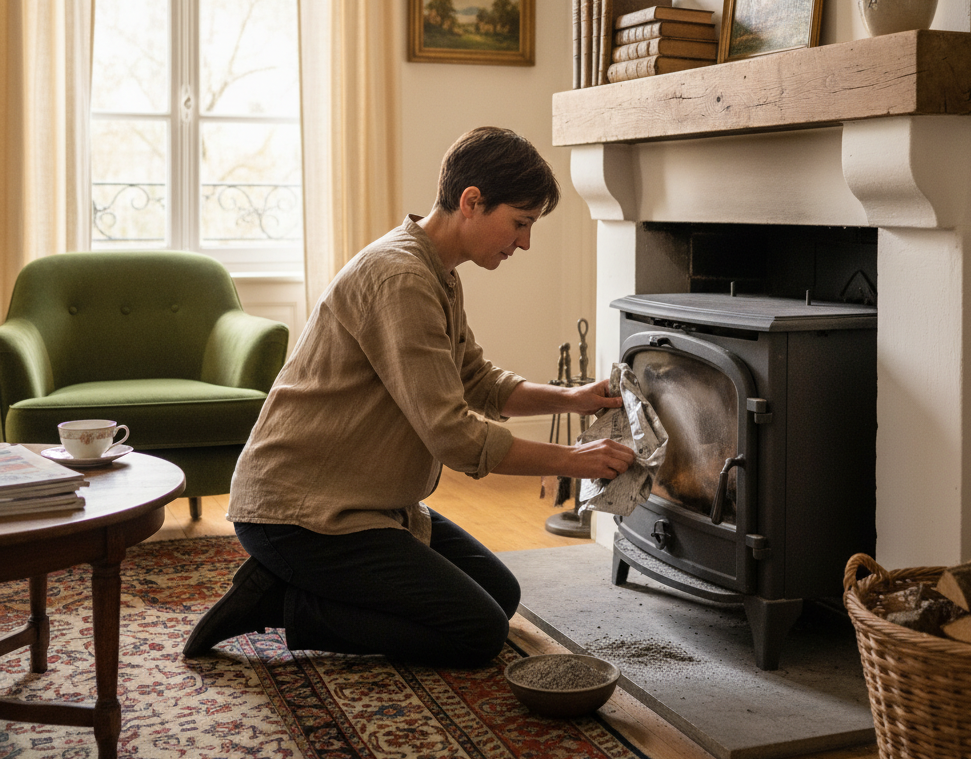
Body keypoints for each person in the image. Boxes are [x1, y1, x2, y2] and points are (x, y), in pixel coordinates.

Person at [183, 126, 634, 666]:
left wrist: (574, 398)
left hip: (367, 500)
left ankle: (305, 587)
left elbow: (478, 381)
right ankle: (281, 600)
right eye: (520, 223)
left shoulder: (438, 273)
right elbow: (454, 436)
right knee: (477, 633)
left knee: (502, 596)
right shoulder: (401, 277)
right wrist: (575, 462)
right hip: (301, 514)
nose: (525, 242)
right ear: (472, 202)